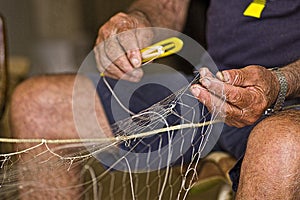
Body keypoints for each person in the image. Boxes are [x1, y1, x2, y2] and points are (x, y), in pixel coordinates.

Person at [10, 0, 300, 199]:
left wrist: (283, 82)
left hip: (291, 99)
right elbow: (166, 4)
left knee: (280, 145)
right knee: (38, 105)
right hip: (213, 87)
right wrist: (139, 22)